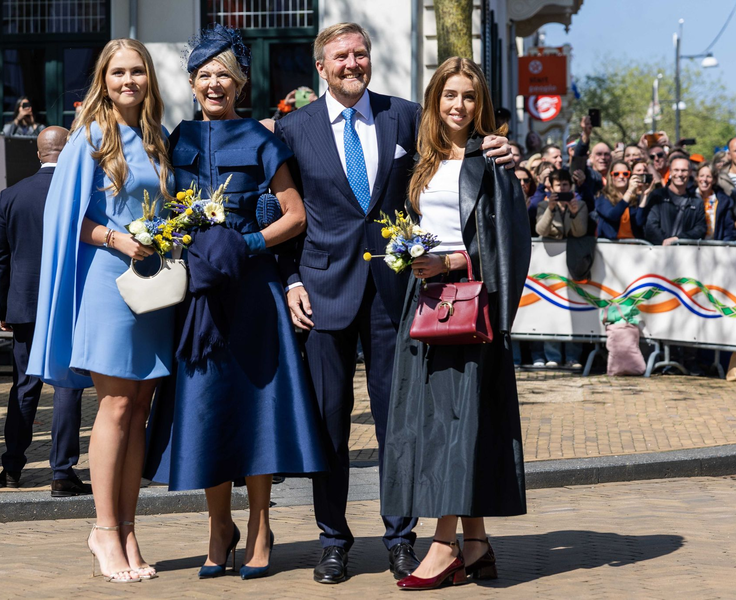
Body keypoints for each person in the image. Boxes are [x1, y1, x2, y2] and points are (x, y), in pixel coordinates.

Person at [272, 22, 514, 585]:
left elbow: (459, 149)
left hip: (398, 296)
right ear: (321, 66)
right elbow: (278, 209)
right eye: (340, 56)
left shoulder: (405, 117)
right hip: (323, 295)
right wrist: (291, 281)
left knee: (400, 423)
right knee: (328, 425)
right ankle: (333, 541)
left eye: (360, 54)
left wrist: (500, 145)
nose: (352, 63)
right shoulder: (292, 129)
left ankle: (401, 539)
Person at [142, 24, 326, 581]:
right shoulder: (175, 140)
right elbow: (160, 210)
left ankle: (261, 525)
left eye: (225, 75)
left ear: (240, 83)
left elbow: (295, 215)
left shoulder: (263, 139)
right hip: (199, 297)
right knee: (208, 408)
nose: (214, 84)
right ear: (192, 83)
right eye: (205, 75)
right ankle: (219, 527)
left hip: (253, 296)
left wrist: (246, 244)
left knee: (257, 408)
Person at [28, 38, 175, 583]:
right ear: (103, 80)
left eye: (137, 71)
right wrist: (116, 239)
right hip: (107, 284)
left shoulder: (157, 138)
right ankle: (104, 531)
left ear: (149, 78)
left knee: (138, 410)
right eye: (118, 72)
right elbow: (65, 217)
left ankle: (129, 529)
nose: (128, 80)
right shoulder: (90, 136)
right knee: (114, 407)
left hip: (153, 288)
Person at [381, 56, 529, 591]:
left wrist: (450, 260)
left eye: (469, 96)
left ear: (480, 103)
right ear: (434, 100)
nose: (459, 105)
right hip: (423, 303)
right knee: (441, 423)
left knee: (455, 423)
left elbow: (509, 244)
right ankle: (477, 544)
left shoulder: (492, 159)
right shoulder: (421, 161)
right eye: (450, 95)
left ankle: (444, 546)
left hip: (469, 306)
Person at [0, 126, 91, 497]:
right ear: (69, 151)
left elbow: (0, 258)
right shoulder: (80, 193)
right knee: (66, 387)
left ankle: (12, 467)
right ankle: (62, 472)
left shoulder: (10, 195)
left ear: (39, 154)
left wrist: (5, 305)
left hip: (25, 304)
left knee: (24, 385)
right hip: (68, 301)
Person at [535, 169, 586, 369]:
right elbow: (541, 230)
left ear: (570, 186)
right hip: (549, 265)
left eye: (565, 185)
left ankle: (573, 356)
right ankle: (552, 355)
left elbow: (580, 232)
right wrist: (550, 209)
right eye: (558, 185)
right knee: (550, 309)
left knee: (574, 307)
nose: (562, 189)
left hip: (572, 264)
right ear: (551, 187)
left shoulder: (580, 205)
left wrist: (573, 213)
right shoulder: (542, 205)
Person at [644, 156, 706, 245]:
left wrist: (678, 239)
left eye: (684, 170)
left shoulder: (697, 202)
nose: (680, 174)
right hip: (659, 250)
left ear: (690, 172)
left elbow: (700, 229)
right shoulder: (657, 196)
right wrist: (665, 242)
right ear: (670, 171)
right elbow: (650, 225)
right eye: (676, 170)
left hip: (685, 251)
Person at [594, 160, 650, 240]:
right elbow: (613, 215)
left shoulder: (634, 198)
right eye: (616, 174)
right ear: (611, 177)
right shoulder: (602, 197)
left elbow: (639, 222)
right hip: (610, 244)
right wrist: (629, 191)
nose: (621, 177)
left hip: (633, 244)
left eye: (625, 174)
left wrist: (644, 195)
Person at [696, 162, 736, 241]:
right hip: (692, 246)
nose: (704, 179)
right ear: (697, 178)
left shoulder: (723, 201)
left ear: (714, 180)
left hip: (716, 245)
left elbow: (728, 229)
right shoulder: (689, 198)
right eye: (701, 176)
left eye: (708, 176)